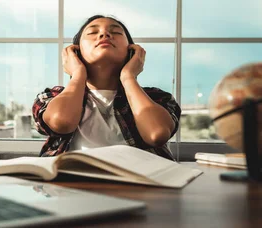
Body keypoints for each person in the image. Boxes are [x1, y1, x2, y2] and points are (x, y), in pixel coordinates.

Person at [31, 15, 181, 161]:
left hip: (142, 183)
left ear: (132, 51)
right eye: (92, 32)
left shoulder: (157, 98)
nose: (104, 34)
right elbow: (62, 122)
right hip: (69, 183)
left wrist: (128, 77)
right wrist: (77, 74)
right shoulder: (52, 97)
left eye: (115, 32)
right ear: (75, 53)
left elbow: (157, 134)